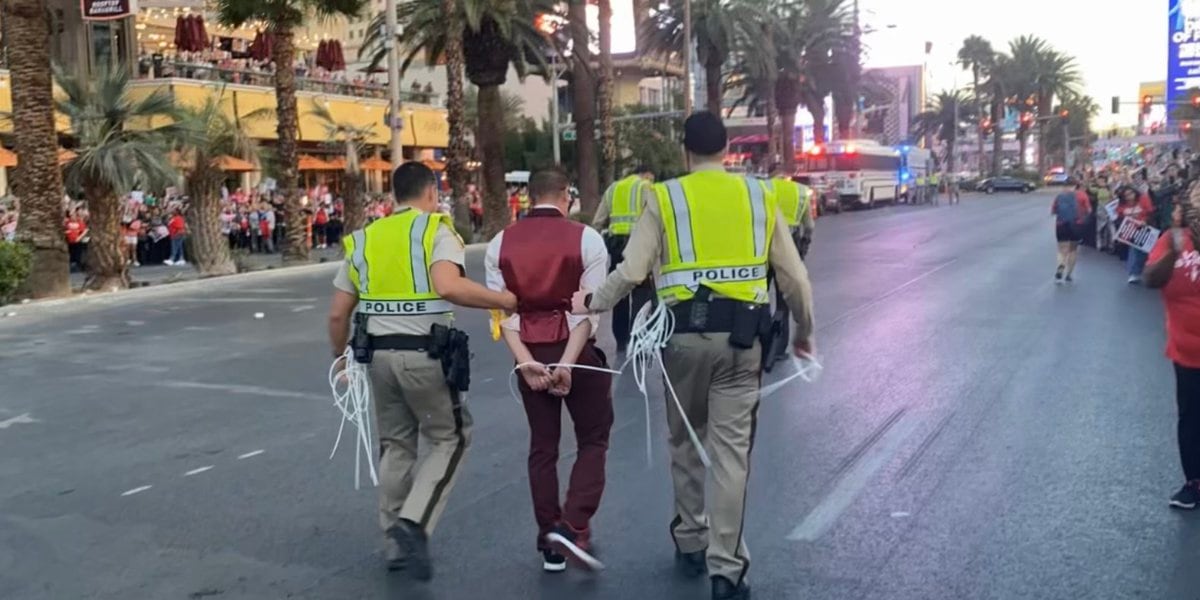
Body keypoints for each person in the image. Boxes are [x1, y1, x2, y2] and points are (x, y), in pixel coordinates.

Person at [571, 112, 816, 600]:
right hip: (741, 344)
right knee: (730, 455)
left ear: (686, 151)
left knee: (684, 440)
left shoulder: (664, 197)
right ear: (726, 150)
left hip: (681, 342)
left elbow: (632, 271)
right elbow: (794, 280)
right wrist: (804, 332)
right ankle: (726, 569)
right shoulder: (758, 196)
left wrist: (593, 301)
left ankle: (689, 540)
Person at [327, 162, 517, 580]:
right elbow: (448, 286)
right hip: (424, 356)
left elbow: (338, 314)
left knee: (396, 444)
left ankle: (394, 542)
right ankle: (413, 523)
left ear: (394, 195)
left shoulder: (364, 238)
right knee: (451, 437)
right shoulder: (436, 230)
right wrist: (503, 300)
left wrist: (340, 356)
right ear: (431, 192)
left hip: (377, 359)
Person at [485, 167, 613, 573]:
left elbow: (503, 313)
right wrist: (568, 364)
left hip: (529, 350)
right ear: (565, 195)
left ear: (529, 195)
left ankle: (549, 541)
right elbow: (587, 310)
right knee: (593, 437)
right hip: (575, 350)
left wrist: (525, 362)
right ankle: (573, 526)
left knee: (543, 447)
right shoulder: (587, 239)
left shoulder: (500, 243)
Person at [1144, 184, 1200, 509]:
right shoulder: (1172, 239)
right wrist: (1174, 252)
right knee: (1191, 418)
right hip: (1187, 352)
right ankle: (1194, 483)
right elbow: (1151, 278)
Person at [593, 165, 656, 354]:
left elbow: (598, 221)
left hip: (616, 246)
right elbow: (655, 217)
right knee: (641, 294)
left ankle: (621, 341)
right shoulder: (646, 187)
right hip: (639, 245)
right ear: (646, 174)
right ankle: (637, 338)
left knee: (619, 294)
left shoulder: (613, 188)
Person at [764, 163, 816, 363]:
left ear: (769, 174)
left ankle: (756, 341)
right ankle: (778, 349)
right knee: (783, 302)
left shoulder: (763, 188)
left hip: (763, 245)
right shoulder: (800, 192)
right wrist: (804, 244)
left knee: (758, 297)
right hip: (789, 246)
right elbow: (809, 225)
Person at [1051, 184, 1091, 284]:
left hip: (1061, 224)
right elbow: (1089, 210)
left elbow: (1053, 211)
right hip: (1076, 225)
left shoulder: (1060, 196)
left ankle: (1061, 264)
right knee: (1073, 250)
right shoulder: (1082, 195)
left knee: (1062, 249)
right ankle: (1069, 274)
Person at [1118, 187, 1155, 283]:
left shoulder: (1143, 199)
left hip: (1145, 228)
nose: (1129, 196)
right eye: (1126, 195)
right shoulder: (1122, 204)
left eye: (1131, 193)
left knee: (1145, 252)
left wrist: (1145, 221)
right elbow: (1119, 215)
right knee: (1134, 251)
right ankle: (1134, 273)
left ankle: (1143, 272)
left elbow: (1151, 212)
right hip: (1131, 229)